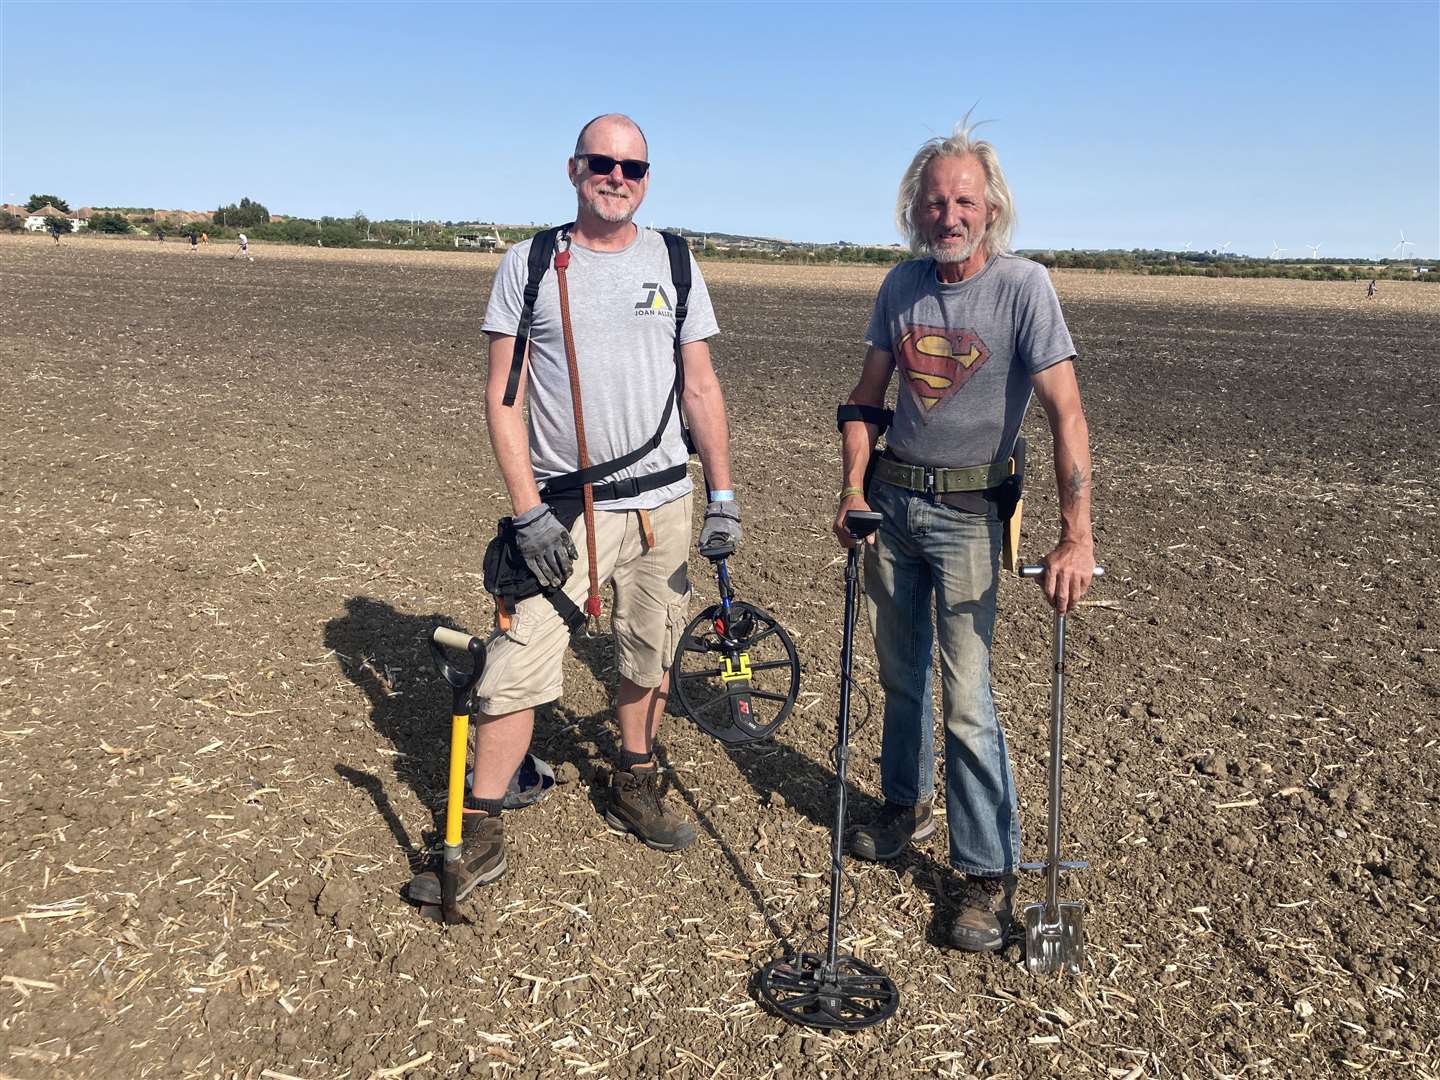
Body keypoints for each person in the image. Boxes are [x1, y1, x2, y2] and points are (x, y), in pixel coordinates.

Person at [413, 114, 738, 903]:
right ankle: (480, 824)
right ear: (574, 169)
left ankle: (633, 776)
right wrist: (528, 512)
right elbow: (502, 400)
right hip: (567, 511)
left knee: (649, 651)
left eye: (633, 167)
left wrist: (723, 495)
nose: (617, 177)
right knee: (517, 660)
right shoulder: (529, 264)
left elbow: (699, 386)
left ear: (647, 178)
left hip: (665, 502)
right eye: (603, 163)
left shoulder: (677, 262)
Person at [833, 118, 1095, 953]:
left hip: (974, 519)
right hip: (895, 508)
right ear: (915, 208)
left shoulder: (1025, 288)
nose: (948, 214)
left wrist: (1075, 534)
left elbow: (1066, 413)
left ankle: (985, 873)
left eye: (964, 201)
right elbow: (867, 398)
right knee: (900, 676)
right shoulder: (900, 286)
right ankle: (900, 804)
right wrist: (850, 488)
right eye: (935, 201)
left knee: (968, 699)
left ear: (991, 210)